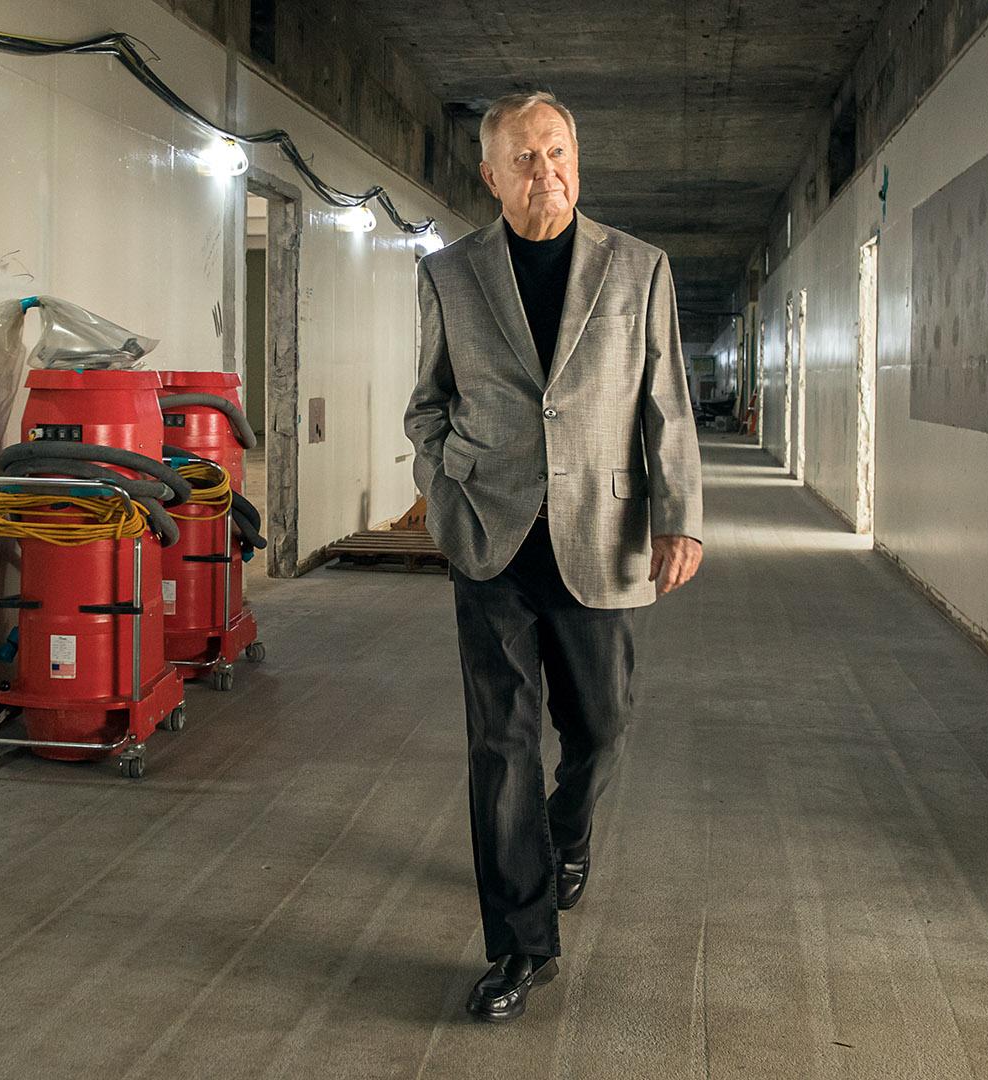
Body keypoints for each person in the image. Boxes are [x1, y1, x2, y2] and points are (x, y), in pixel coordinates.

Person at [403, 90, 704, 1023]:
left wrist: (679, 514)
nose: (547, 173)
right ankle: (521, 948)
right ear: (490, 177)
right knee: (500, 750)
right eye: (525, 159)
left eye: (559, 152)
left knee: (604, 726)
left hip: (601, 535)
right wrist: (445, 489)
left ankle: (568, 834)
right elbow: (429, 403)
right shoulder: (450, 274)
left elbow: (668, 401)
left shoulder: (638, 268)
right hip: (491, 542)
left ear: (580, 158)